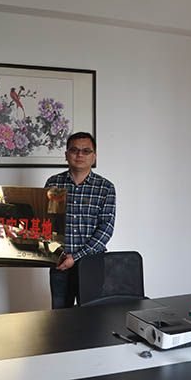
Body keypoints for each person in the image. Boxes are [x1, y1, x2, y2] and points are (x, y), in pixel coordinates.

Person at [44, 132, 116, 308]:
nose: (80, 155)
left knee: (92, 316)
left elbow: (106, 228)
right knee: (60, 316)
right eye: (74, 150)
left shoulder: (105, 187)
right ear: (66, 154)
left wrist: (76, 257)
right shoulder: (53, 183)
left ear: (94, 156)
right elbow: (46, 222)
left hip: (92, 263)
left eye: (86, 151)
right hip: (60, 263)